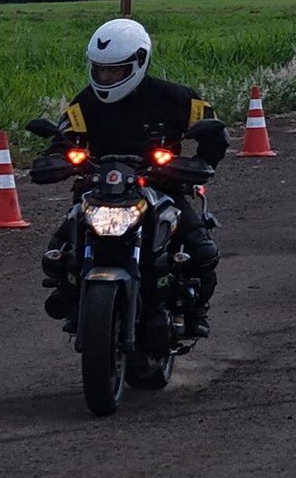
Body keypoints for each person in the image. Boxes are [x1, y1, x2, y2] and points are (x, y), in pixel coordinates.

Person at [34, 18, 229, 338]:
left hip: (160, 187)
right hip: (98, 189)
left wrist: (197, 165)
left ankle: (195, 310)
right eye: (101, 70)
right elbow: (64, 139)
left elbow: (215, 132)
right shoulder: (84, 102)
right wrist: (54, 161)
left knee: (202, 249)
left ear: (139, 62)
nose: (107, 76)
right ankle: (72, 298)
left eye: (116, 70)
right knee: (57, 252)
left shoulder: (176, 97)